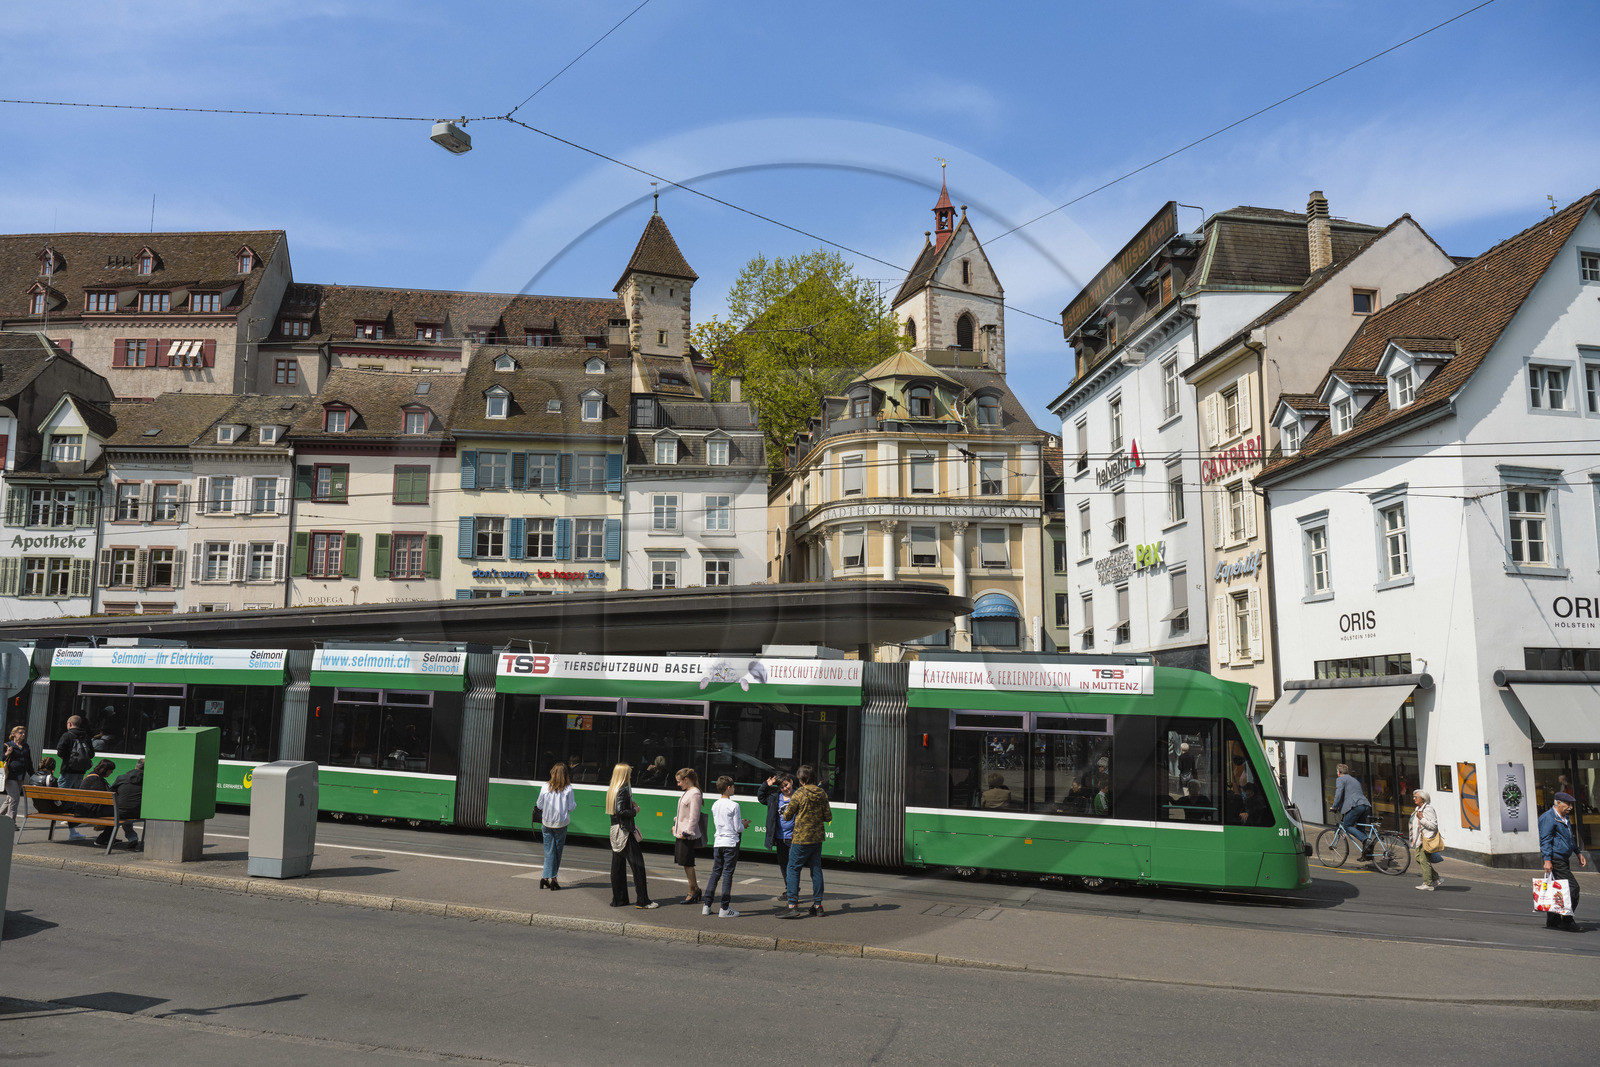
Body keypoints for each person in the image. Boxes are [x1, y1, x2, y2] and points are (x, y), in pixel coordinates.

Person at [781, 763, 833, 916]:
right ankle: (817, 906)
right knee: (816, 870)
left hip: (801, 838)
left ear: (801, 779)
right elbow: (828, 816)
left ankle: (792, 905)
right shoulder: (822, 793)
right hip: (816, 839)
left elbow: (787, 815)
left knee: (793, 868)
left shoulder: (799, 794)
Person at [605, 762, 655, 909]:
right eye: (628, 773)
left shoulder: (612, 789)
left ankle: (619, 899)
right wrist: (635, 810)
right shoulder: (622, 790)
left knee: (617, 867)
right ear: (623, 775)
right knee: (638, 866)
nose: (631, 775)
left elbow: (616, 811)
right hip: (625, 831)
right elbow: (621, 812)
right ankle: (643, 901)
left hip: (615, 830)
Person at [1539, 790, 1588, 930]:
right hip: (1556, 859)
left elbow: (1570, 838)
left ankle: (1553, 920)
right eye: (1568, 804)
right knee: (1573, 888)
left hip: (1563, 858)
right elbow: (1545, 840)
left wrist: (1578, 853)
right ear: (1558, 803)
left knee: (1556, 890)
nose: (1570, 807)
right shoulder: (1548, 817)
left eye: (1571, 804)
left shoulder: (1564, 817)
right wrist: (1547, 860)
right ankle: (1567, 920)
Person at [703, 775, 750, 918]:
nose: (734, 789)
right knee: (727, 874)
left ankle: (707, 905)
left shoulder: (715, 805)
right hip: (731, 843)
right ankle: (724, 908)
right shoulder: (734, 805)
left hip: (719, 842)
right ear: (728, 788)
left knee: (715, 873)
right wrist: (744, 824)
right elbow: (737, 828)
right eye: (733, 787)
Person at [536, 762, 576, 890]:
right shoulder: (568, 789)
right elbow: (571, 807)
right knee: (557, 852)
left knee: (549, 852)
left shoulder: (544, 787)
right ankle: (553, 879)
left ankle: (545, 878)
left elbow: (539, 805)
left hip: (546, 823)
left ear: (552, 773)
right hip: (561, 824)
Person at [756, 771, 795, 898]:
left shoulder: (798, 796)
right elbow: (761, 798)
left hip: (795, 838)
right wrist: (766, 785)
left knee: (793, 865)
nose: (785, 789)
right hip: (780, 837)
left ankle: (792, 890)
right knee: (784, 865)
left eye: (786, 785)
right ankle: (790, 888)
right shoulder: (775, 797)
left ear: (791, 782)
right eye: (782, 787)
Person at [673, 768, 704, 904]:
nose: (678, 784)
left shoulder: (695, 793)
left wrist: (687, 832)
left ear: (686, 780)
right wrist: (676, 825)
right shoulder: (688, 792)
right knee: (685, 863)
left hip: (687, 835)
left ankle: (693, 891)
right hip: (681, 833)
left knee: (688, 863)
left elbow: (694, 816)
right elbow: (683, 814)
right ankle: (694, 889)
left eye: (679, 781)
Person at [1330, 764, 1374, 859]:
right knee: (1360, 829)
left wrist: (1334, 806)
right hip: (1365, 805)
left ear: (1338, 772)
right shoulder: (1354, 780)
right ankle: (1367, 855)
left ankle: (1366, 840)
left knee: (1347, 825)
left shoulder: (1340, 779)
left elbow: (1339, 794)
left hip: (1356, 805)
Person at [100, 758, 143, 850]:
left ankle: (132, 838)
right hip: (140, 812)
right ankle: (133, 838)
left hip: (121, 812)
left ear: (136, 766)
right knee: (128, 812)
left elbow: (111, 792)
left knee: (123, 811)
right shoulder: (148, 781)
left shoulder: (122, 777)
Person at [1409, 788, 1442, 891]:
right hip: (1420, 839)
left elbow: (1433, 825)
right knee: (1419, 858)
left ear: (1422, 799)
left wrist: (1421, 819)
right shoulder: (1418, 809)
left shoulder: (1428, 809)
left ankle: (1428, 884)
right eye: (1414, 796)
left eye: (1416, 797)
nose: (1414, 798)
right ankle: (1436, 878)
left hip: (1426, 839)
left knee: (1423, 859)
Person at [2, 725, 32, 822]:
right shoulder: (7, 745)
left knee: (9, 799)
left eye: (24, 733)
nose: (23, 735)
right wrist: (7, 753)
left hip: (21, 776)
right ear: (13, 734)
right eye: (20, 733)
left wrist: (33, 774)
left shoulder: (25, 746)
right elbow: (2, 758)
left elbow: (29, 761)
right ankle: (11, 822)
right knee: (15, 798)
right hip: (10, 775)